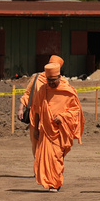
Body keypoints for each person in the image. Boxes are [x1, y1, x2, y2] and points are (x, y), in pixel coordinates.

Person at [30, 62, 85, 192]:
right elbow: (37, 110)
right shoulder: (42, 90)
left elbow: (76, 110)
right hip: (45, 130)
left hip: (61, 130)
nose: (51, 83)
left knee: (57, 157)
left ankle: (55, 182)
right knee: (46, 157)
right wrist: (36, 128)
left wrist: (63, 117)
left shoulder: (68, 91)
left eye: (53, 80)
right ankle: (52, 183)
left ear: (59, 77)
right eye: (49, 80)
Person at [17, 54, 65, 157]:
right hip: (36, 116)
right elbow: (28, 93)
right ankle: (39, 169)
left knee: (53, 146)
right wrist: (21, 108)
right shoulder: (37, 78)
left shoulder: (64, 82)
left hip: (54, 119)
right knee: (36, 143)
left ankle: (50, 170)